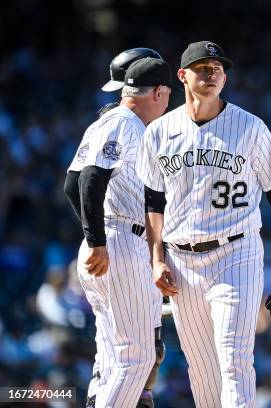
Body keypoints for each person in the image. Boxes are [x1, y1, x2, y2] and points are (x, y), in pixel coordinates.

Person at [136, 40, 271, 407]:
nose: (212, 73)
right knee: (201, 372)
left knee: (234, 360)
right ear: (183, 76)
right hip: (181, 261)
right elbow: (153, 202)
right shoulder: (159, 132)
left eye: (217, 68)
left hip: (237, 253)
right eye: (202, 67)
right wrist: (156, 257)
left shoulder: (250, 127)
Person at [64, 57, 172, 407]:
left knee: (114, 354)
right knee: (136, 360)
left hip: (112, 240)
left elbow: (71, 184)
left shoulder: (108, 122)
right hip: (121, 241)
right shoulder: (126, 123)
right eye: (167, 93)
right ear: (157, 92)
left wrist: (96, 235)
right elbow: (91, 178)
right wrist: (99, 240)